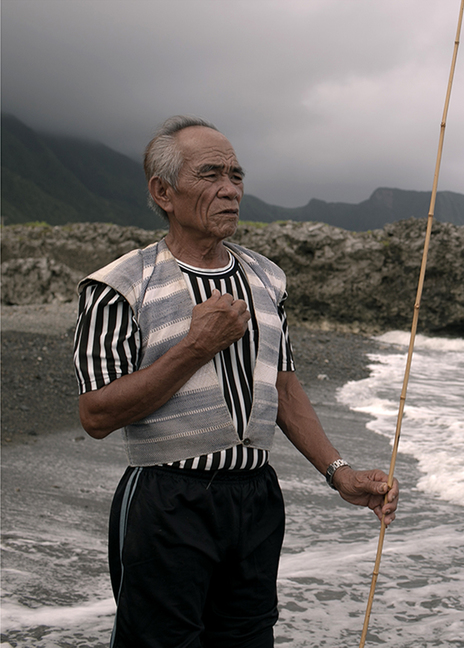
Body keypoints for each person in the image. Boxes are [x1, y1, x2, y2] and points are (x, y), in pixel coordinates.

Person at [73, 115, 399, 648]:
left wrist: (338, 472)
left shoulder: (267, 278)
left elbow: (284, 387)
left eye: (236, 175)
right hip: (165, 499)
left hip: (255, 498)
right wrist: (197, 346)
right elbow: (97, 415)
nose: (230, 190)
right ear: (163, 192)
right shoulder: (118, 286)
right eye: (210, 175)